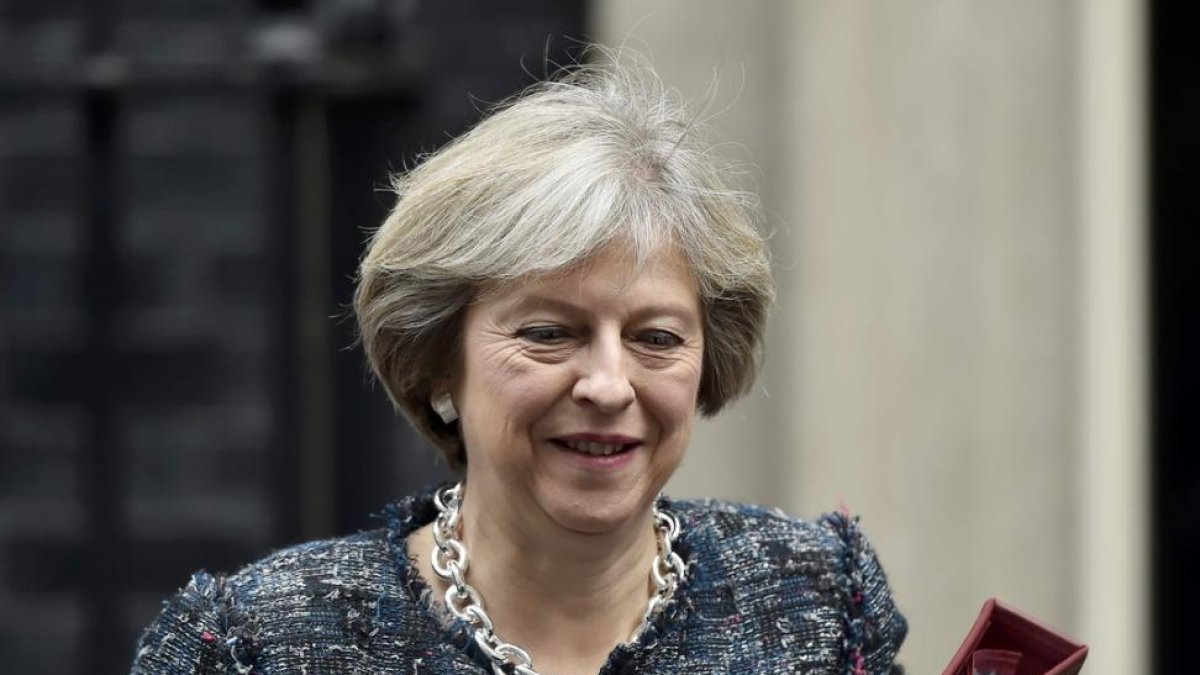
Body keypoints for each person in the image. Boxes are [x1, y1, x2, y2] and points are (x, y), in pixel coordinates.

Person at [130, 47, 907, 675]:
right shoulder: (260, 645)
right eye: (549, 332)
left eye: (656, 338)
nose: (608, 384)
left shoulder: (815, 602)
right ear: (438, 359)